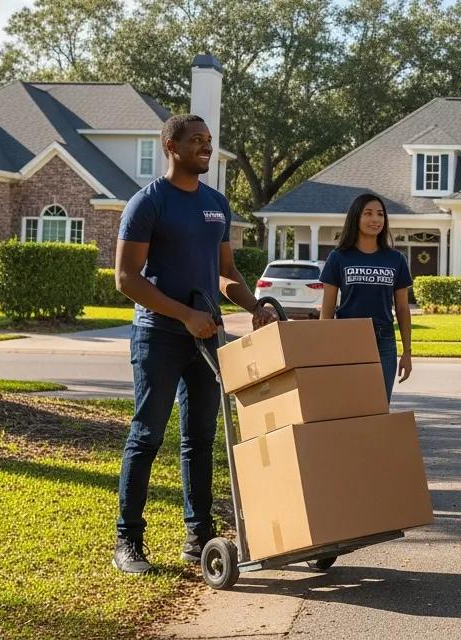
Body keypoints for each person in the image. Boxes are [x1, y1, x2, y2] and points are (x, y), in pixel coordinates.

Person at [113, 113, 277, 575]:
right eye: (197, 140)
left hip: (208, 336)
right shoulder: (148, 203)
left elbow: (226, 273)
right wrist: (184, 314)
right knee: (146, 435)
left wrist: (254, 306)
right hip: (160, 335)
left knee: (201, 438)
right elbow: (126, 279)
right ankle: (128, 541)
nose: (206, 147)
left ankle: (199, 536)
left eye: (209, 140)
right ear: (171, 145)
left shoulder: (216, 204)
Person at [319, 192, 413, 401]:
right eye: (368, 213)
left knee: (379, 405)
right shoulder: (338, 258)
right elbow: (327, 310)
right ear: (356, 218)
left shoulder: (395, 259)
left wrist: (407, 352)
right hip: (347, 338)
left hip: (384, 341)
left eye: (380, 214)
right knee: (350, 405)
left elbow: (403, 309)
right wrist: (324, 350)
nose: (375, 219)